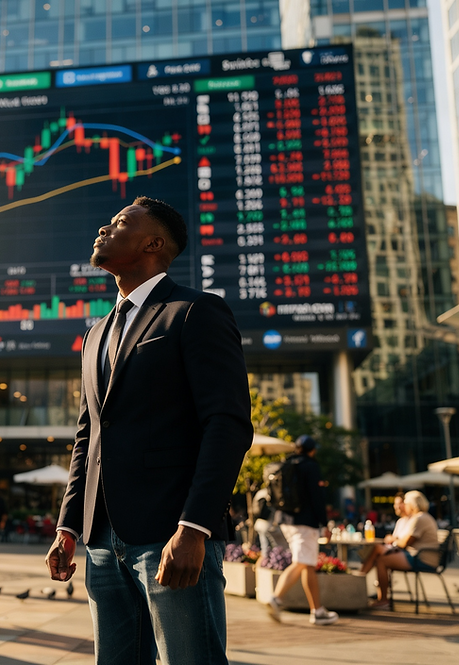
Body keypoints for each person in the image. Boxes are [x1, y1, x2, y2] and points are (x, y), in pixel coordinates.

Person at [47, 197, 253, 664]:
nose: (104, 227)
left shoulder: (195, 311)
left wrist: (195, 527)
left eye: (120, 223)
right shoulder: (95, 332)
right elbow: (88, 435)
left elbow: (228, 423)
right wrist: (68, 524)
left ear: (154, 243)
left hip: (170, 533)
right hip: (102, 540)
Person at [265, 435, 339, 626]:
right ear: (312, 450)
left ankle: (317, 610)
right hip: (304, 522)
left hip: (285, 520)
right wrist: (325, 523)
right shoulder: (310, 466)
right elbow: (317, 498)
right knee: (300, 563)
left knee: (308, 565)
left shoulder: (288, 464)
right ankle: (276, 598)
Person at [366, 491, 440, 609]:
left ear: (412, 504)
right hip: (418, 556)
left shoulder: (420, 518)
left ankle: (382, 598)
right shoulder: (421, 517)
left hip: (422, 558)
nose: (404, 506)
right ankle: (379, 595)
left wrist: (395, 540)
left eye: (406, 503)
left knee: (381, 560)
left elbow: (405, 543)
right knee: (379, 554)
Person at [360, 492, 409, 576]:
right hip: (394, 549)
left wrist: (393, 539)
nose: (396, 506)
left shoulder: (410, 520)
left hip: (402, 552)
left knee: (377, 551)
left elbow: (403, 541)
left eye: (399, 504)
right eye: (395, 504)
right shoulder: (400, 521)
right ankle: (361, 575)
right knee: (373, 552)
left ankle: (361, 575)